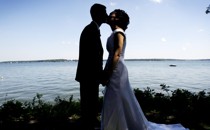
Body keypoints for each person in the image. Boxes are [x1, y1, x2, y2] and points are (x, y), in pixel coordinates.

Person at [101, 9, 189, 130]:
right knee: (117, 98)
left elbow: (116, 54)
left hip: (116, 70)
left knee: (115, 97)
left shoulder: (119, 33)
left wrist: (107, 73)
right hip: (114, 68)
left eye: (112, 14)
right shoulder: (115, 33)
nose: (109, 16)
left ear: (117, 19)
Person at [75, 3, 108, 130]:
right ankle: (89, 125)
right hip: (88, 76)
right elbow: (91, 57)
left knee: (90, 105)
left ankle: (90, 123)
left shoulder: (93, 29)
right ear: (97, 14)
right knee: (88, 105)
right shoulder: (90, 30)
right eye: (104, 13)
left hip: (90, 76)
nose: (106, 15)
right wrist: (100, 76)